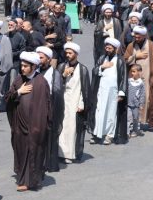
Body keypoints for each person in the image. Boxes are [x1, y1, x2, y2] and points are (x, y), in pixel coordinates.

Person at [5, 52, 51, 191]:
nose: (22, 68)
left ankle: (29, 181)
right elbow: (8, 98)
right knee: (20, 150)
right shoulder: (19, 80)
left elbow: (45, 107)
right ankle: (22, 177)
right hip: (19, 125)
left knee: (33, 152)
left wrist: (39, 126)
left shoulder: (41, 82)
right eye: (22, 65)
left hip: (34, 126)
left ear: (34, 66)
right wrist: (19, 92)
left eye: (25, 66)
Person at [88, 38, 128, 145]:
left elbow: (123, 77)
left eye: (110, 48)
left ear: (115, 49)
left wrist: (121, 93)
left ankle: (109, 135)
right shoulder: (102, 58)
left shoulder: (120, 61)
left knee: (111, 113)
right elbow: (94, 71)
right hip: (101, 90)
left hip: (113, 92)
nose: (108, 49)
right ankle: (97, 134)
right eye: (106, 47)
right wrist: (102, 67)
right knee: (99, 112)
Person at [124, 26, 153, 130]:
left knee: (147, 100)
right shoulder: (131, 46)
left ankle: (145, 121)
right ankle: (134, 124)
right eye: (135, 36)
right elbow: (125, 60)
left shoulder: (151, 45)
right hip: (133, 79)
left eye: (139, 36)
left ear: (144, 35)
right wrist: (135, 56)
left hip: (147, 78)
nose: (136, 38)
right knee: (133, 101)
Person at [57, 42, 90, 162]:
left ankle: (69, 154)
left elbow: (85, 89)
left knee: (71, 128)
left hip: (75, 101)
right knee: (61, 127)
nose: (68, 55)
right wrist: (63, 75)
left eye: (70, 53)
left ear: (76, 54)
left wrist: (82, 103)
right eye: (66, 53)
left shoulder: (83, 69)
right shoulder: (61, 66)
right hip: (62, 100)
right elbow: (55, 84)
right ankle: (59, 153)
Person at [36, 46, 62, 172]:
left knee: (49, 136)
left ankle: (48, 163)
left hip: (48, 109)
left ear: (48, 59)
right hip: (35, 109)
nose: (39, 60)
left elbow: (57, 92)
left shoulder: (55, 74)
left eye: (41, 58)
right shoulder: (34, 71)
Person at [127, 64, 145, 138]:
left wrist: (141, 104)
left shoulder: (141, 83)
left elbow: (142, 94)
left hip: (136, 105)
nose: (132, 73)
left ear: (139, 72)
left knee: (135, 118)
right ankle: (128, 131)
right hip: (128, 104)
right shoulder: (129, 81)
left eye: (134, 71)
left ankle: (135, 130)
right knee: (128, 118)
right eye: (131, 71)